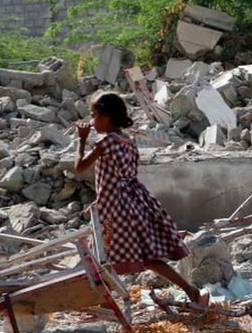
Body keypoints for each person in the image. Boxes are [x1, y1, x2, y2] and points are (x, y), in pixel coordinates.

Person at [74, 92, 208, 306]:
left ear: (106, 117)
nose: (91, 122)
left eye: (94, 116)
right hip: (135, 204)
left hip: (114, 210)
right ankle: (191, 291)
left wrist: (81, 141)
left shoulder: (106, 142)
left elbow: (80, 168)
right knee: (147, 258)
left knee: (100, 254)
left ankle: (101, 301)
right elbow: (121, 177)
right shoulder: (127, 141)